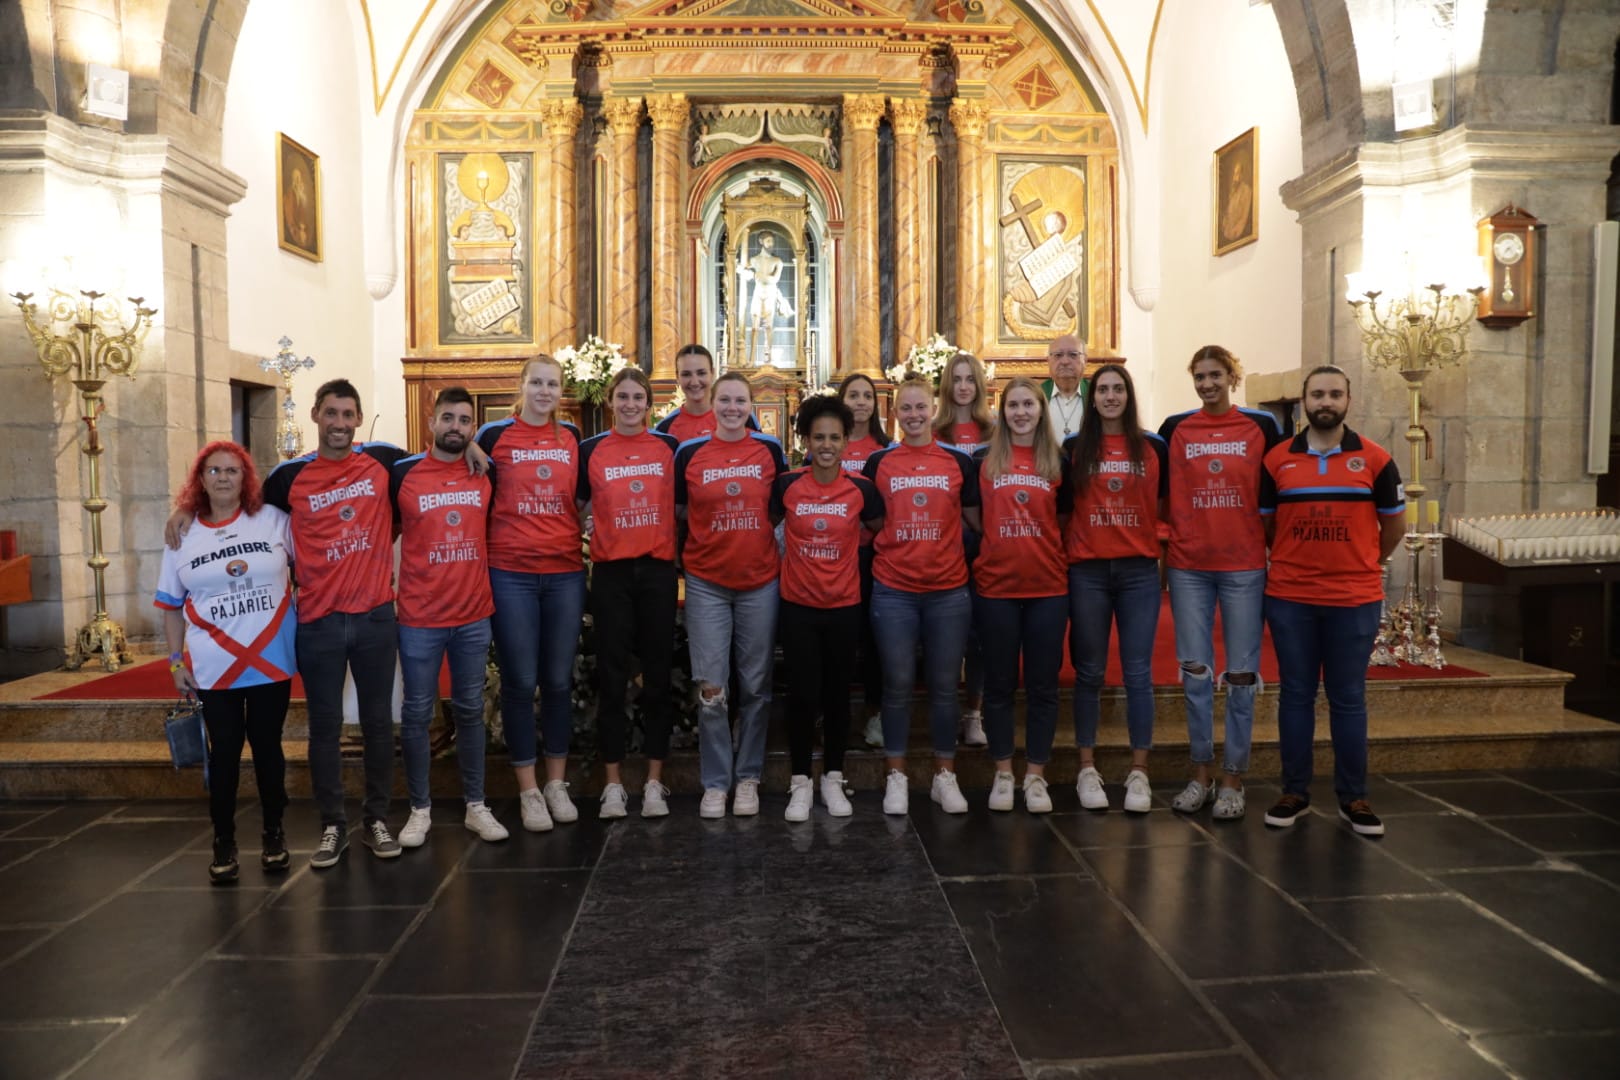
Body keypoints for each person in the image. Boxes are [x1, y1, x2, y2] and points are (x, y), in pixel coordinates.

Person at [265, 380, 409, 866]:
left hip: (373, 616)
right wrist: (186, 509)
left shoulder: (385, 461)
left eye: (349, 414)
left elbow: (437, 465)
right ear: (315, 415)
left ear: (358, 417)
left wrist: (472, 445)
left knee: (376, 725)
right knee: (324, 727)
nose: (341, 423)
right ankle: (332, 826)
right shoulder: (288, 477)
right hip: (319, 621)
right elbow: (241, 507)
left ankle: (375, 820)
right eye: (332, 413)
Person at [1259, 365, 1405, 837]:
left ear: (1348, 401)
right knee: (1296, 695)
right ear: (1303, 401)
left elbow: (1394, 527)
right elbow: (1267, 526)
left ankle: (1353, 797)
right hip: (1291, 597)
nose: (1326, 401)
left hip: (1354, 598)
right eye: (1317, 394)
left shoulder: (1377, 460)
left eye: (1335, 394)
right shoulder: (1276, 460)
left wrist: (1362, 559)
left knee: (1348, 698)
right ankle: (1294, 792)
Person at [155, 441, 295, 883]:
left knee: (270, 751)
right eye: (213, 471)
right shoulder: (182, 534)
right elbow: (171, 605)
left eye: (232, 470)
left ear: (245, 477)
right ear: (200, 480)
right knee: (226, 756)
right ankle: (224, 841)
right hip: (215, 669)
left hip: (271, 661)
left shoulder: (273, 520)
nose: (223, 478)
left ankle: (274, 833)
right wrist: (176, 662)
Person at [1158, 346, 1282, 821]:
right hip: (1190, 566)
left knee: (1242, 676)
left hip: (1243, 566)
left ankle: (1234, 778)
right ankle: (1200, 774)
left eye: (1216, 375)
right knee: (1194, 673)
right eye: (1200, 376)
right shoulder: (1176, 428)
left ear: (1232, 376)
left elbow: (1273, 492)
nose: (1208, 384)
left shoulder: (1261, 426)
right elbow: (1165, 494)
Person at [391, 388, 508, 848]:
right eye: (448, 418)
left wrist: (479, 450)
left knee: (470, 711)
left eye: (464, 420)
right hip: (420, 616)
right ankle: (420, 810)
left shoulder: (485, 470)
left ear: (473, 428)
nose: (456, 427)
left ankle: (476, 805)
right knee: (417, 712)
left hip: (473, 613)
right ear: (431, 422)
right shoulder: (400, 472)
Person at [477, 354, 586, 831]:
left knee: (560, 681)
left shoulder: (572, 439)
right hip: (511, 572)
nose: (545, 391)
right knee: (521, 682)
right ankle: (528, 790)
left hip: (563, 571)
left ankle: (557, 783)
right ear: (521, 386)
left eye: (553, 384)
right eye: (537, 383)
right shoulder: (493, 437)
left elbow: (581, 501)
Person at [864, 374, 981, 816]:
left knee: (945, 687)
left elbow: (972, 521)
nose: (913, 416)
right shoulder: (880, 463)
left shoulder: (957, 462)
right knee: (895, 685)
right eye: (905, 409)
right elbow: (875, 522)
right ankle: (896, 775)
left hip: (948, 591)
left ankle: (943, 775)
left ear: (933, 410)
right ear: (895, 414)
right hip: (894, 589)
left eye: (920, 407)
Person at [674, 372, 788, 817]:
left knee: (757, 686)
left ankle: (748, 778)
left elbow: (779, 507)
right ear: (714, 403)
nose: (732, 407)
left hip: (760, 580)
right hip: (707, 582)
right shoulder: (690, 452)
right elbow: (680, 510)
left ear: (751, 406)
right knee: (711, 687)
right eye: (725, 400)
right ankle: (716, 782)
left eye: (740, 401)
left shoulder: (769, 450)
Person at [772, 395, 884, 821]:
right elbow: (766, 531)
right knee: (801, 695)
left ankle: (834, 776)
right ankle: (800, 780)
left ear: (846, 441)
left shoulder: (861, 489)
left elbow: (877, 528)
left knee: (838, 695)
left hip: (844, 606)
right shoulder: (786, 485)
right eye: (818, 436)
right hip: (797, 606)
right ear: (805, 439)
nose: (826, 444)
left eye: (834, 437)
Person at [577, 367, 682, 819]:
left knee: (658, 676)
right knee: (613, 677)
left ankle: (655, 782)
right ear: (610, 401)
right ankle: (614, 784)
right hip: (611, 574)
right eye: (622, 396)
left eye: (638, 397)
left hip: (657, 571)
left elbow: (680, 506)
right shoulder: (591, 451)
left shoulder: (668, 449)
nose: (630, 404)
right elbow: (578, 504)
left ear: (648, 404)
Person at [1066, 363, 1168, 814]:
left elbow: (1163, 506)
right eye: (1102, 389)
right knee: (1088, 671)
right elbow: (1063, 511)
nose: (1110, 396)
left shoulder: (1150, 448)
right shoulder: (1074, 448)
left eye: (1117, 389)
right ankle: (1087, 766)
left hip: (1138, 572)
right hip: (1088, 571)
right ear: (1093, 398)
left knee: (1138, 673)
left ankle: (1139, 771)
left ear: (1128, 396)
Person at [972, 378, 1071, 813]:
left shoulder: (1058, 460)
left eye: (1028, 404)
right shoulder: (984, 460)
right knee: (998, 685)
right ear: (1002, 411)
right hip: (996, 587)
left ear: (1040, 409)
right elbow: (973, 516)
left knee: (1043, 686)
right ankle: (1002, 773)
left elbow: (1065, 520)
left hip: (1048, 588)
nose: (1020, 412)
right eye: (1012, 405)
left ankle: (1035, 776)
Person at [931, 352, 993, 748]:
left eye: (970, 379)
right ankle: (947, 707)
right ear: (947, 386)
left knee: (980, 632)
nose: (964, 386)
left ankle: (975, 712)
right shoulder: (935, 431)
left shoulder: (995, 428)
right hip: (946, 540)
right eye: (957, 379)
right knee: (949, 632)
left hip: (987, 538)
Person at [837, 373, 892, 751]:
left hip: (872, 555)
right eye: (853, 395)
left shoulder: (886, 449)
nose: (860, 402)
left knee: (875, 638)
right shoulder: (828, 442)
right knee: (840, 637)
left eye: (866, 396)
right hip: (833, 555)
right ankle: (832, 711)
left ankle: (876, 711)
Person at [654, 343, 759, 442]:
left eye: (701, 373)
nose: (694, 382)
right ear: (677, 377)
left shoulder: (739, 416)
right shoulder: (665, 428)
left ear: (712, 373)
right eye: (686, 374)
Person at [1043, 334, 1088, 441]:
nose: (1065, 362)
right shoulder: (1037, 394)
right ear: (1048, 360)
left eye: (1073, 355)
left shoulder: (1096, 394)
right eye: (1058, 355)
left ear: (1085, 360)